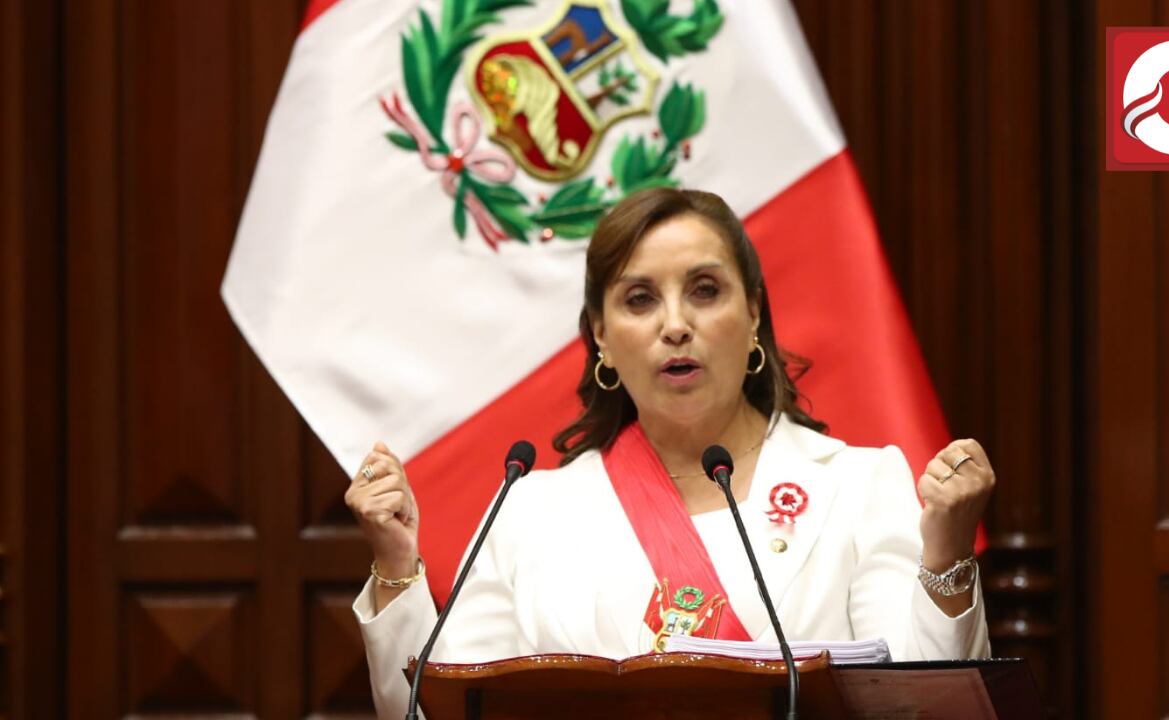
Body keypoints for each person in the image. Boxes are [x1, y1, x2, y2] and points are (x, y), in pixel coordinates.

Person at [346, 188, 994, 715]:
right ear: (602, 336)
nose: (675, 324)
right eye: (639, 299)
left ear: (753, 319)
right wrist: (396, 567)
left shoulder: (858, 486)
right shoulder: (531, 511)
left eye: (706, 290)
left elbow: (922, 708)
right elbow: (442, 712)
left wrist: (947, 553)